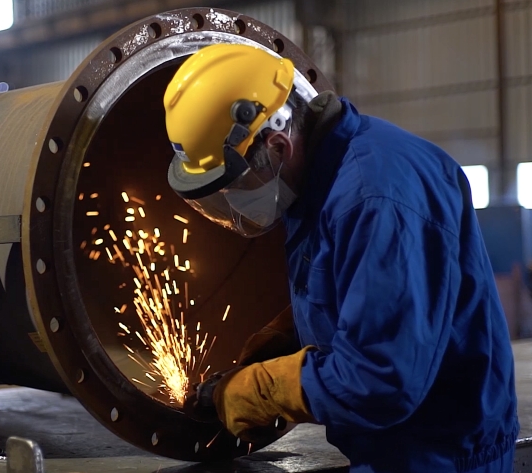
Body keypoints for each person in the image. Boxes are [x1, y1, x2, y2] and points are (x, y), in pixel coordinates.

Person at [165, 43, 518, 472]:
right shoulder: (319, 181)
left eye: (235, 184)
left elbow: (382, 381)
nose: (234, 201)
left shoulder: (375, 196)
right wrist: (293, 333)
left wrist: (270, 389)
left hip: (440, 457)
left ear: (277, 145)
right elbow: (358, 288)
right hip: (397, 449)